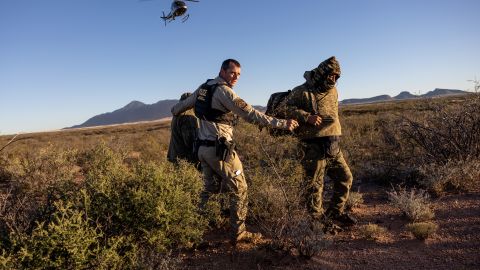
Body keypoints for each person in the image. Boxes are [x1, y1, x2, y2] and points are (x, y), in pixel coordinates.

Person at [171, 59, 298, 244]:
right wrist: (282, 123)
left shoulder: (203, 88)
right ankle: (238, 234)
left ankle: (195, 228)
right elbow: (251, 114)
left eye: (239, 74)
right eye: (232, 73)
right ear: (222, 71)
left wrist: (178, 116)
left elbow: (177, 109)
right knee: (240, 188)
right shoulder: (224, 91)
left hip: (202, 150)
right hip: (219, 150)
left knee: (209, 190)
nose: (236, 77)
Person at [284, 56, 356, 228]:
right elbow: (285, 108)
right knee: (314, 186)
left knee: (345, 178)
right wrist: (306, 117)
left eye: (336, 76)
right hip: (311, 145)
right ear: (321, 73)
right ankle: (316, 222)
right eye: (330, 75)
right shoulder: (301, 91)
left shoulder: (333, 91)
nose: (333, 79)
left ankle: (335, 213)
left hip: (332, 143)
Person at [167, 92, 199, 165]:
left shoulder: (176, 115)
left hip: (175, 157)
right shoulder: (188, 117)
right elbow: (190, 141)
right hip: (185, 160)